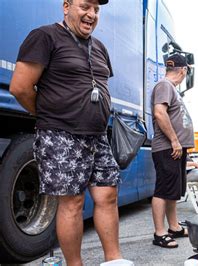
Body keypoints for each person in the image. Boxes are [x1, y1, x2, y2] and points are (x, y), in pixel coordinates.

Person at [9, 0, 129, 265]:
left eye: (96, 10)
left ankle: (114, 260)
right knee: (72, 202)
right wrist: (48, 115)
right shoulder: (45, 36)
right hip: (60, 134)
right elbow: (20, 87)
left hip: (97, 134)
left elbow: (99, 84)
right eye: (85, 6)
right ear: (66, 6)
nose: (91, 14)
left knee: (107, 195)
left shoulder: (99, 47)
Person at [150, 53, 194, 248]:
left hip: (174, 147)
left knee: (172, 190)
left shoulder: (170, 88)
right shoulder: (164, 85)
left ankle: (173, 227)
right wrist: (175, 141)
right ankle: (159, 233)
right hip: (168, 147)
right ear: (183, 70)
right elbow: (159, 112)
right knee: (163, 189)